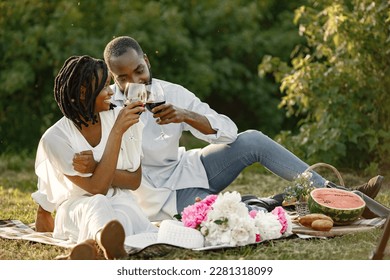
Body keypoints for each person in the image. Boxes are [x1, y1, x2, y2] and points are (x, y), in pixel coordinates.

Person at [98, 36, 384, 221]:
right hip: (160, 196)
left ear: (146, 61)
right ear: (114, 77)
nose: (134, 80)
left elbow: (229, 132)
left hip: (189, 169)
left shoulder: (171, 92)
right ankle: (272, 204)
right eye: (123, 77)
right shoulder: (107, 107)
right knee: (237, 216)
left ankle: (344, 197)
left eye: (139, 70)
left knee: (252, 140)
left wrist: (186, 116)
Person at [31, 55, 157, 259]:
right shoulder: (55, 138)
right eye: (105, 86)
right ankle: (104, 243)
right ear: (83, 93)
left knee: (123, 213)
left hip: (119, 201)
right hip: (77, 208)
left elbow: (134, 180)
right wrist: (116, 132)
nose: (111, 92)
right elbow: (97, 188)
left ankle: (93, 247)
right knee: (97, 202)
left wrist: (96, 166)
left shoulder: (120, 117)